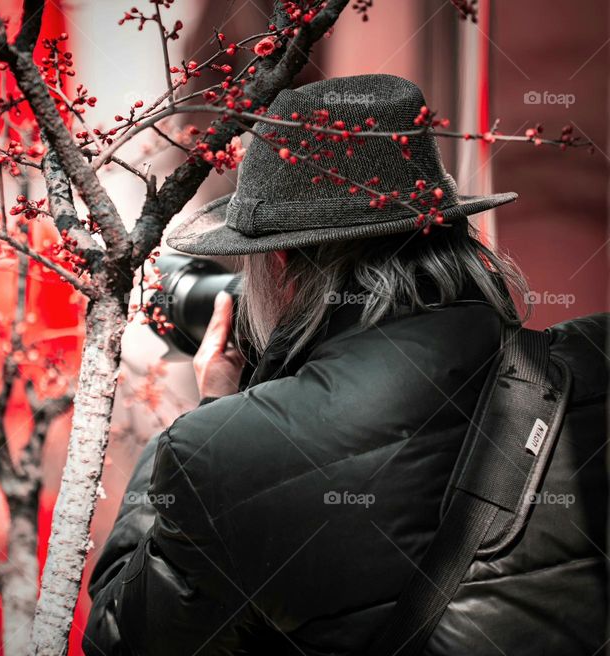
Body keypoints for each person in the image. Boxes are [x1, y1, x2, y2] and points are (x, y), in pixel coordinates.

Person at [83, 74, 609, 655]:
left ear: (278, 261)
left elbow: (123, 643)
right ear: (451, 226)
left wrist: (213, 418)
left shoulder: (225, 455)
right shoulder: (594, 359)